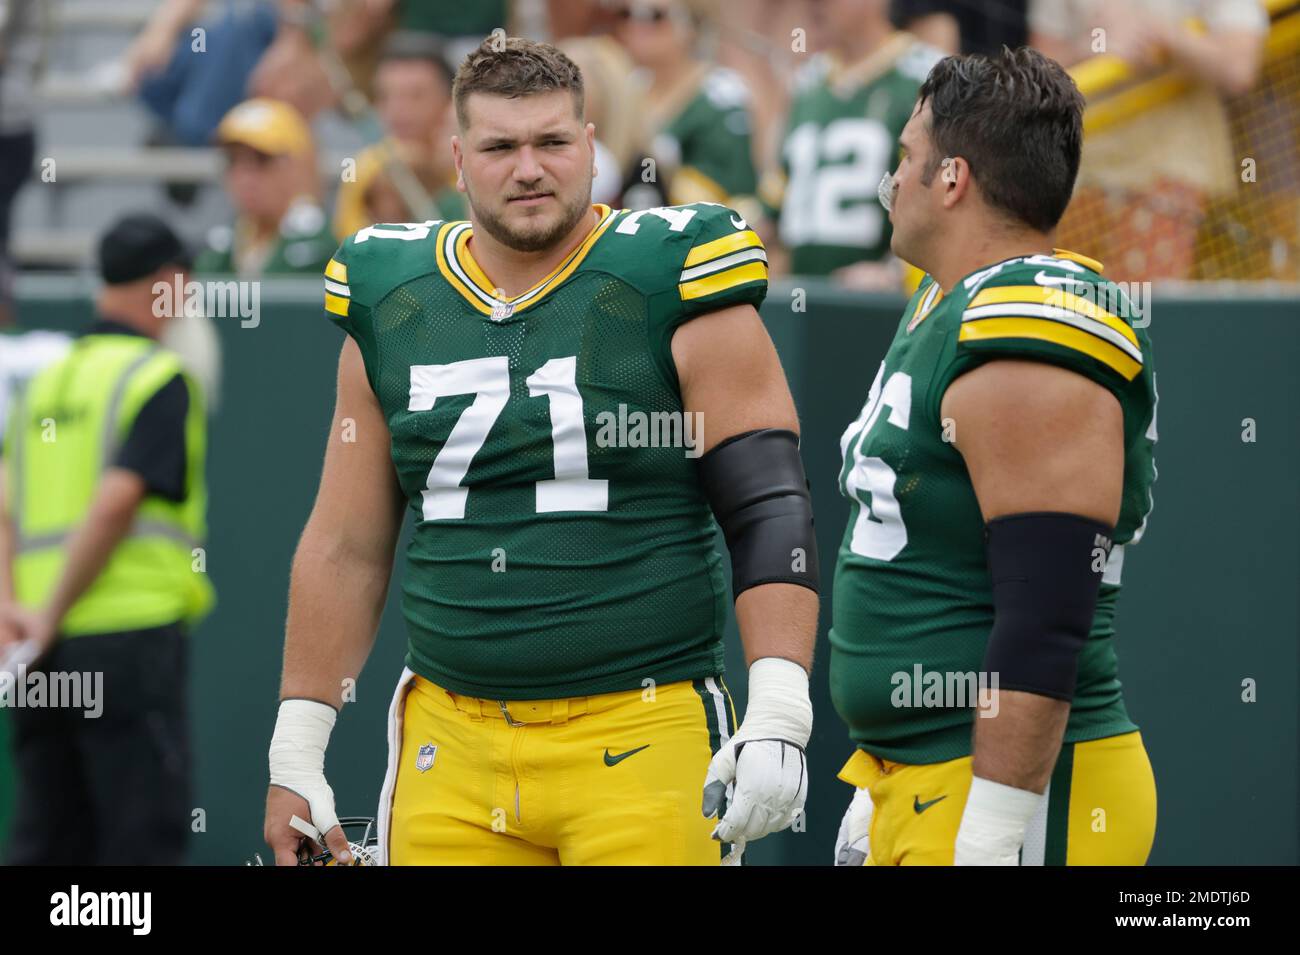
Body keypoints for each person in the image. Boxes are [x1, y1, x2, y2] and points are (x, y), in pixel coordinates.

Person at [264, 37, 818, 866]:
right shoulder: (395, 292)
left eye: (552, 142)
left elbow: (768, 504)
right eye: (500, 147)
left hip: (643, 725)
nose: (529, 168)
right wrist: (296, 749)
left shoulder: (668, 269)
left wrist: (780, 706)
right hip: (451, 738)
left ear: (591, 145)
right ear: (458, 159)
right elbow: (345, 545)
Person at [829, 48, 1158, 866]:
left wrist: (994, 826)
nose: (894, 179)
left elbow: (1045, 613)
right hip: (931, 776)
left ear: (953, 179)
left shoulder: (1028, 320)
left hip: (1021, 788)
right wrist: (886, 776)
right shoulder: (950, 300)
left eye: (907, 157)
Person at [0, 214, 215, 864]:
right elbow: (117, 501)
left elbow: (5, 503)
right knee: (139, 837)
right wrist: (52, 609)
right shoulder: (156, 377)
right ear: (167, 285)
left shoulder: (44, 383)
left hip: (37, 653)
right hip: (127, 637)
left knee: (50, 834)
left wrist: (18, 614)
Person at [761, 0, 941, 289]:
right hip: (803, 297)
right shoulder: (806, 82)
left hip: (882, 303)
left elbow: (945, 203)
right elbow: (776, 201)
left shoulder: (928, 76)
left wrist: (896, 273)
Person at [613, 0, 762, 222]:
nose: (636, 25)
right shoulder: (628, 88)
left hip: (694, 239)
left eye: (654, 16)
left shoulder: (721, 93)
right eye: (626, 14)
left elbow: (734, 193)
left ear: (691, 25)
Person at [195, 98, 335, 277]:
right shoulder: (223, 244)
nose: (244, 177)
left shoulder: (322, 249)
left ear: (298, 166)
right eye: (232, 160)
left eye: (262, 159)